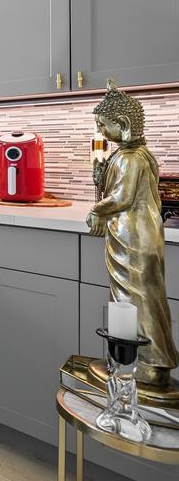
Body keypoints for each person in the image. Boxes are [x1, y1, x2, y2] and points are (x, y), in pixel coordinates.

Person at [87, 80, 178, 387]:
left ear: (123, 124)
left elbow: (123, 198)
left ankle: (150, 365)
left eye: (104, 125)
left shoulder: (130, 157)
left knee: (136, 296)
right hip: (134, 234)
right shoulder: (135, 155)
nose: (101, 131)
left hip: (133, 237)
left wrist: (98, 209)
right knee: (139, 296)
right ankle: (140, 362)